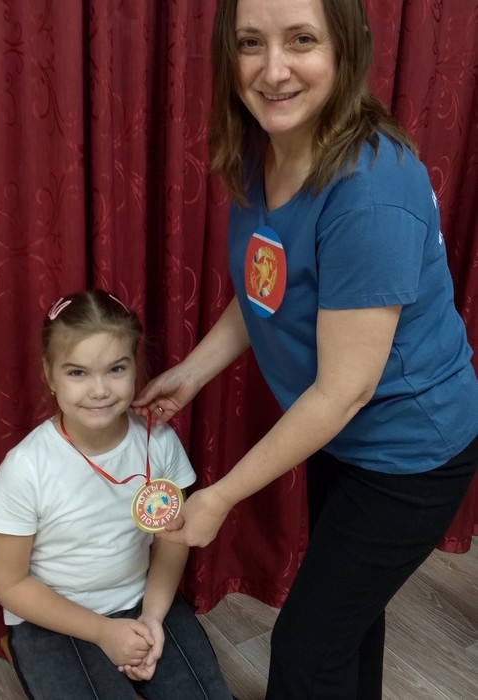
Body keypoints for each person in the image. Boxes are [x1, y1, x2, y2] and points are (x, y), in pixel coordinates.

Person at [133, 0, 478, 698]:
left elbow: (344, 390)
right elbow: (267, 283)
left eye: (300, 40)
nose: (272, 70)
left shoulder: (370, 191)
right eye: (249, 43)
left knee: (305, 651)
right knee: (346, 625)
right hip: (342, 438)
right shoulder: (264, 145)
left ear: (345, 48)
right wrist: (191, 374)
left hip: (409, 455)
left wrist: (218, 498)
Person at [0, 289, 233, 700]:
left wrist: (152, 617)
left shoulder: (159, 442)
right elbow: (8, 583)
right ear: (49, 375)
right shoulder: (26, 468)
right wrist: (103, 632)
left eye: (115, 369)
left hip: (142, 598)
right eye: (78, 373)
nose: (99, 390)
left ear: (135, 367)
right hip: (53, 619)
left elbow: (172, 541)